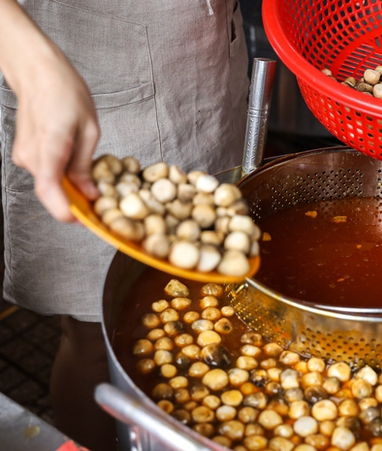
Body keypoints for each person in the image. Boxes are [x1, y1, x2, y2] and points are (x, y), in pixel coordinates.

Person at [0, 1, 250, 450]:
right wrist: (32, 65)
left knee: (200, 302)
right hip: (87, 71)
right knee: (97, 333)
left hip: (201, 50)